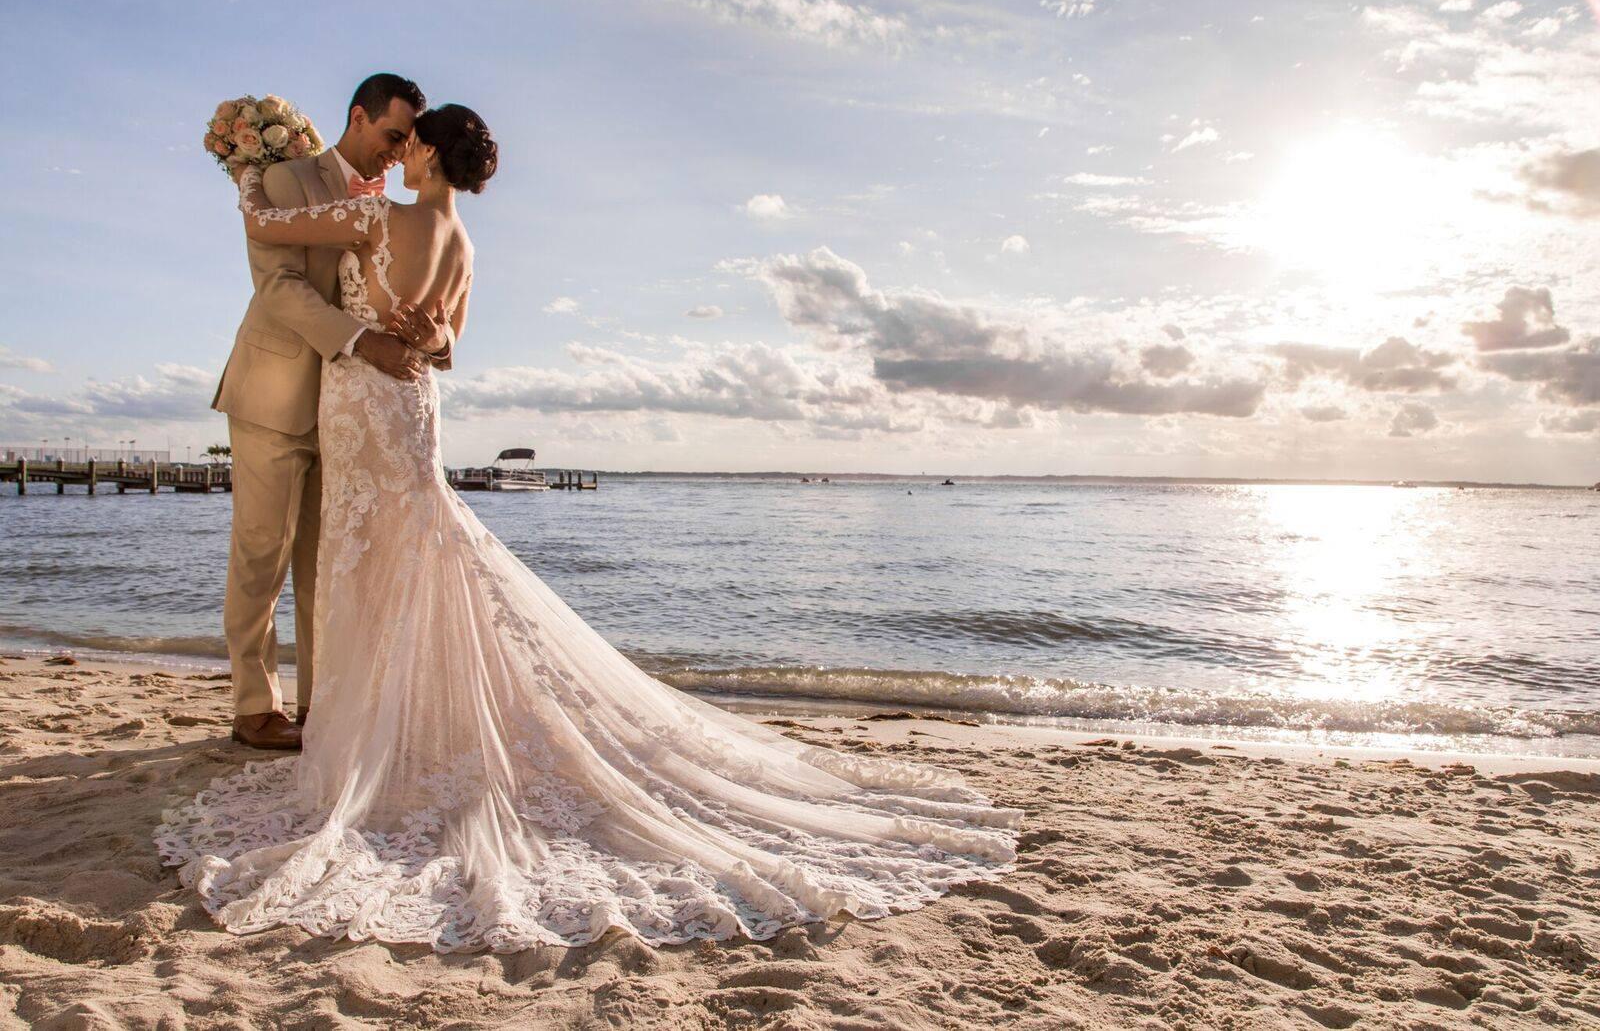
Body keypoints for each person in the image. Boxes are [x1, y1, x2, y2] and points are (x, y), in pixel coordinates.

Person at [157, 102, 1020, 952]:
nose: (398, 152)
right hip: (414, 404)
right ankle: (395, 721)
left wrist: (246, 177)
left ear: (424, 153)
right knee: (415, 554)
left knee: (366, 566)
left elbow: (273, 224)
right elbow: (450, 341)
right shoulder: (461, 241)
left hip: (365, 403)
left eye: (407, 142)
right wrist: (423, 331)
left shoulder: (375, 215)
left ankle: (373, 733)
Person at [211, 73, 439, 751]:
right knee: (261, 556)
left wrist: (424, 336)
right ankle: (254, 707)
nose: (397, 155)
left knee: (325, 566)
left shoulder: (390, 206)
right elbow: (278, 289)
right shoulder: (284, 184)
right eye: (391, 137)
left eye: (408, 144)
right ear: (359, 117)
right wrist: (363, 339)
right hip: (272, 395)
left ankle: (322, 708)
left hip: (347, 412)